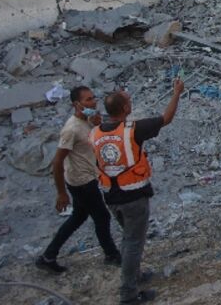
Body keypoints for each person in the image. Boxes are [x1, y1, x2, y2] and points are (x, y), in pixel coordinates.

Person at [91, 77, 184, 304]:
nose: (130, 102)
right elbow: (166, 118)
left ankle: (136, 275)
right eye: (127, 101)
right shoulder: (133, 130)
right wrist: (176, 93)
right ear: (124, 108)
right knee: (133, 243)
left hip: (110, 195)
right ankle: (129, 295)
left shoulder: (96, 132)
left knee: (129, 238)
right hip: (133, 195)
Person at [37, 85, 121, 274]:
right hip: (81, 181)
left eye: (93, 98)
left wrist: (97, 123)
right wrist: (61, 193)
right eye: (88, 100)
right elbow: (57, 162)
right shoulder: (71, 129)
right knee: (102, 216)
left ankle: (48, 256)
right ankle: (112, 254)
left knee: (78, 217)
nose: (93, 102)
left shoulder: (88, 121)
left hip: (87, 176)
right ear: (77, 104)